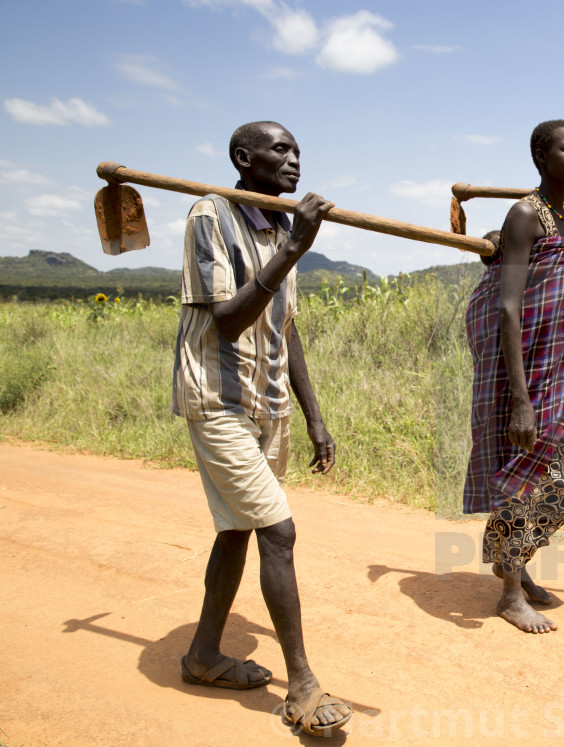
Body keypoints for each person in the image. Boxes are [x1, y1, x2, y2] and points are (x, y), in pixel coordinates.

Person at [171, 121, 351, 736]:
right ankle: (301, 683)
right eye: (281, 149)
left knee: (238, 532)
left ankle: (202, 655)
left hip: (268, 403)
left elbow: (285, 326)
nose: (295, 159)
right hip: (217, 398)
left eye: (299, 148)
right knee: (279, 531)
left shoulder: (278, 226)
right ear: (244, 159)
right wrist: (295, 248)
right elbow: (226, 320)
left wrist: (315, 415)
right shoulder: (210, 216)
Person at [463, 119, 564, 633]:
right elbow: (509, 309)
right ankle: (511, 591)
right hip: (525, 374)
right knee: (525, 477)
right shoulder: (525, 216)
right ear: (540, 155)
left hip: (560, 373)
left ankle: (513, 560)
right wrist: (520, 400)